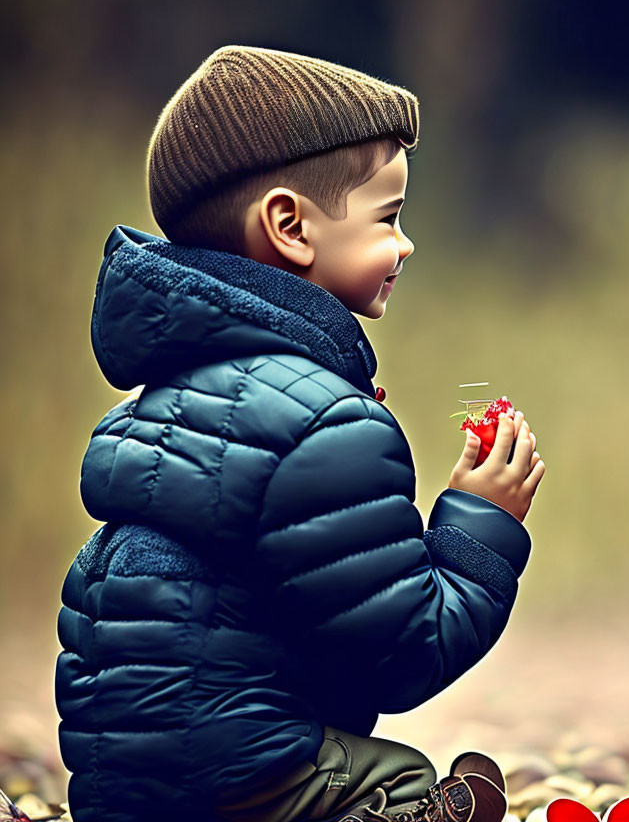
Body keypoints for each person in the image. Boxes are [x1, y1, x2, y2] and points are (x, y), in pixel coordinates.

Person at [56, 45, 545, 822]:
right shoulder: (324, 422)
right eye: (388, 217)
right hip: (233, 778)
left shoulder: (172, 400)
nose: (406, 243)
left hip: (121, 780)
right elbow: (406, 654)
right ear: (289, 226)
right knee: (402, 783)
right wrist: (483, 520)